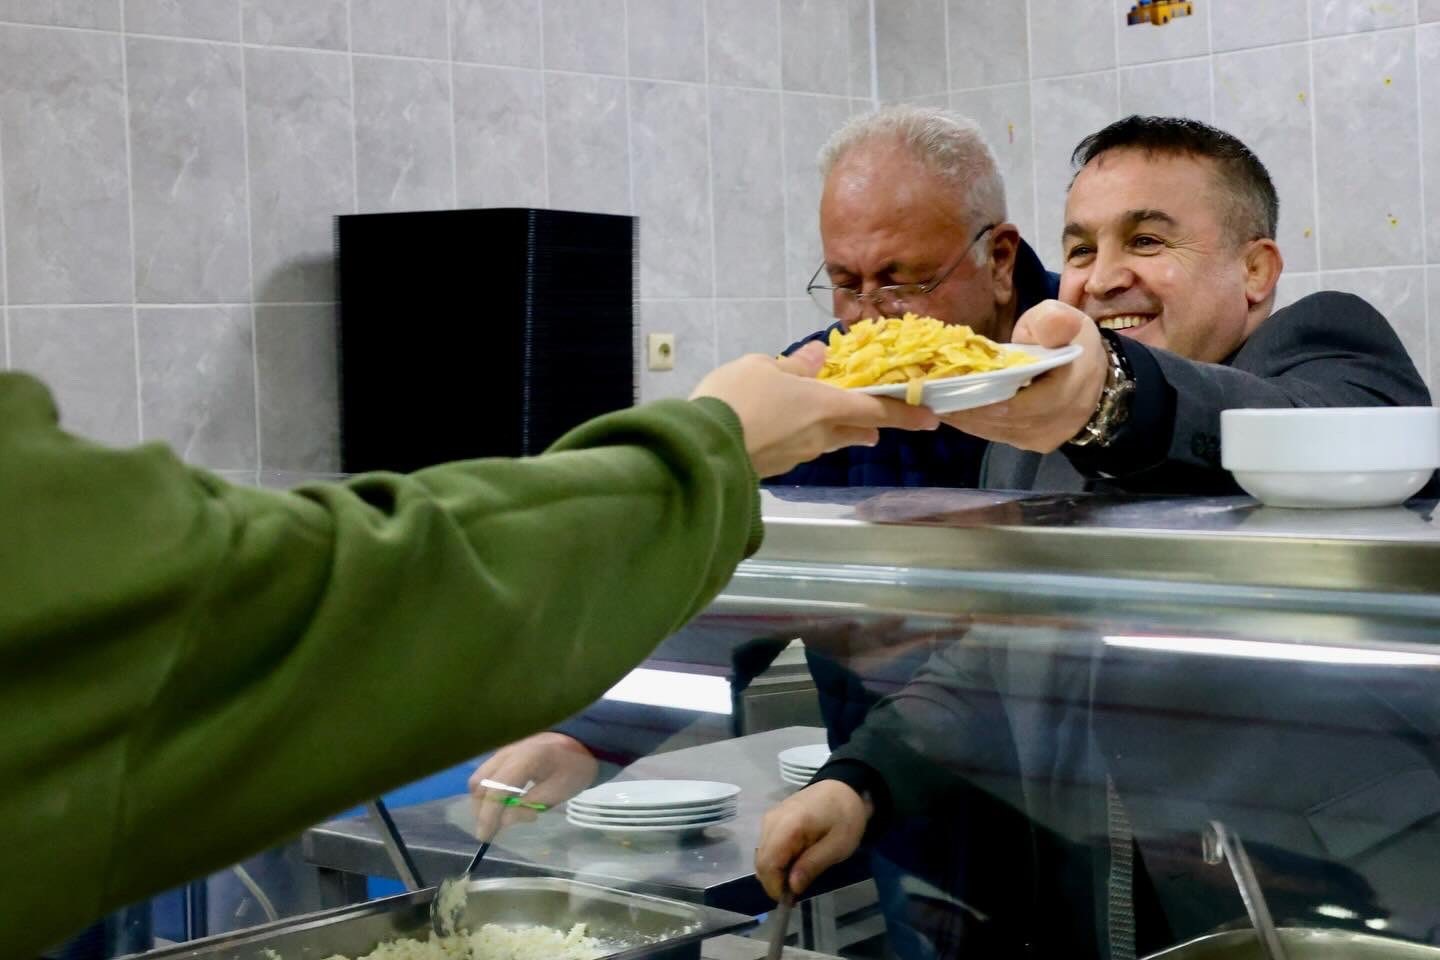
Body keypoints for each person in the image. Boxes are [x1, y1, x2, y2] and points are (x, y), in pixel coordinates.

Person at [0, 343, 939, 959]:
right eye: (846, 279)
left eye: (899, 273)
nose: (870, 309)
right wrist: (591, 730)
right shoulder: (813, 385)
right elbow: (718, 612)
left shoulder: (1040, 404)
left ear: (992, 251)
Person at [754, 116, 1434, 952]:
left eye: (1146, 240)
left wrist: (1109, 393)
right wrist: (859, 784)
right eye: (1079, 250)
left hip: (1330, 900)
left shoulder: (1328, 352)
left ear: (1255, 271)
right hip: (1100, 910)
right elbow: (991, 661)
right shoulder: (1028, 455)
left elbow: (1299, 427)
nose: (1104, 278)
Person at [771, 104, 1059, 488]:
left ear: (999, 260)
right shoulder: (816, 380)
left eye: (903, 283)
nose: (870, 319)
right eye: (847, 285)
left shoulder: (1092, 351)